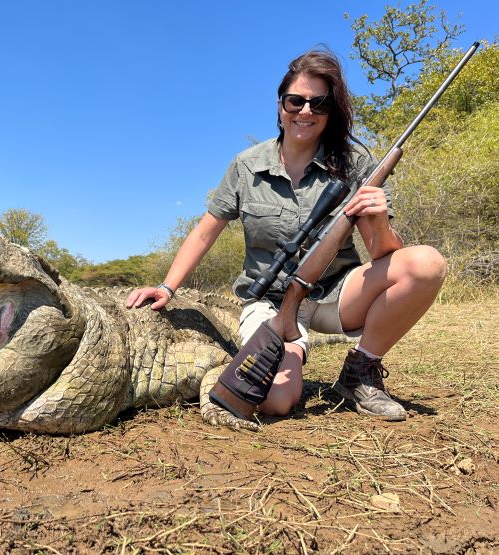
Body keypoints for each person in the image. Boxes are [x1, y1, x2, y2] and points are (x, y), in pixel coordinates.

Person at [126, 48, 446, 422]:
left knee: (425, 264)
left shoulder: (356, 163)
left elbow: (384, 253)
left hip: (336, 295)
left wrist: (378, 218)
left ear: (332, 111)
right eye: (296, 101)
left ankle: (360, 374)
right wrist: (166, 288)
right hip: (272, 303)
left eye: (319, 103)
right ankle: (274, 350)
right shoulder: (246, 165)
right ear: (280, 106)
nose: (305, 111)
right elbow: (205, 231)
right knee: (277, 400)